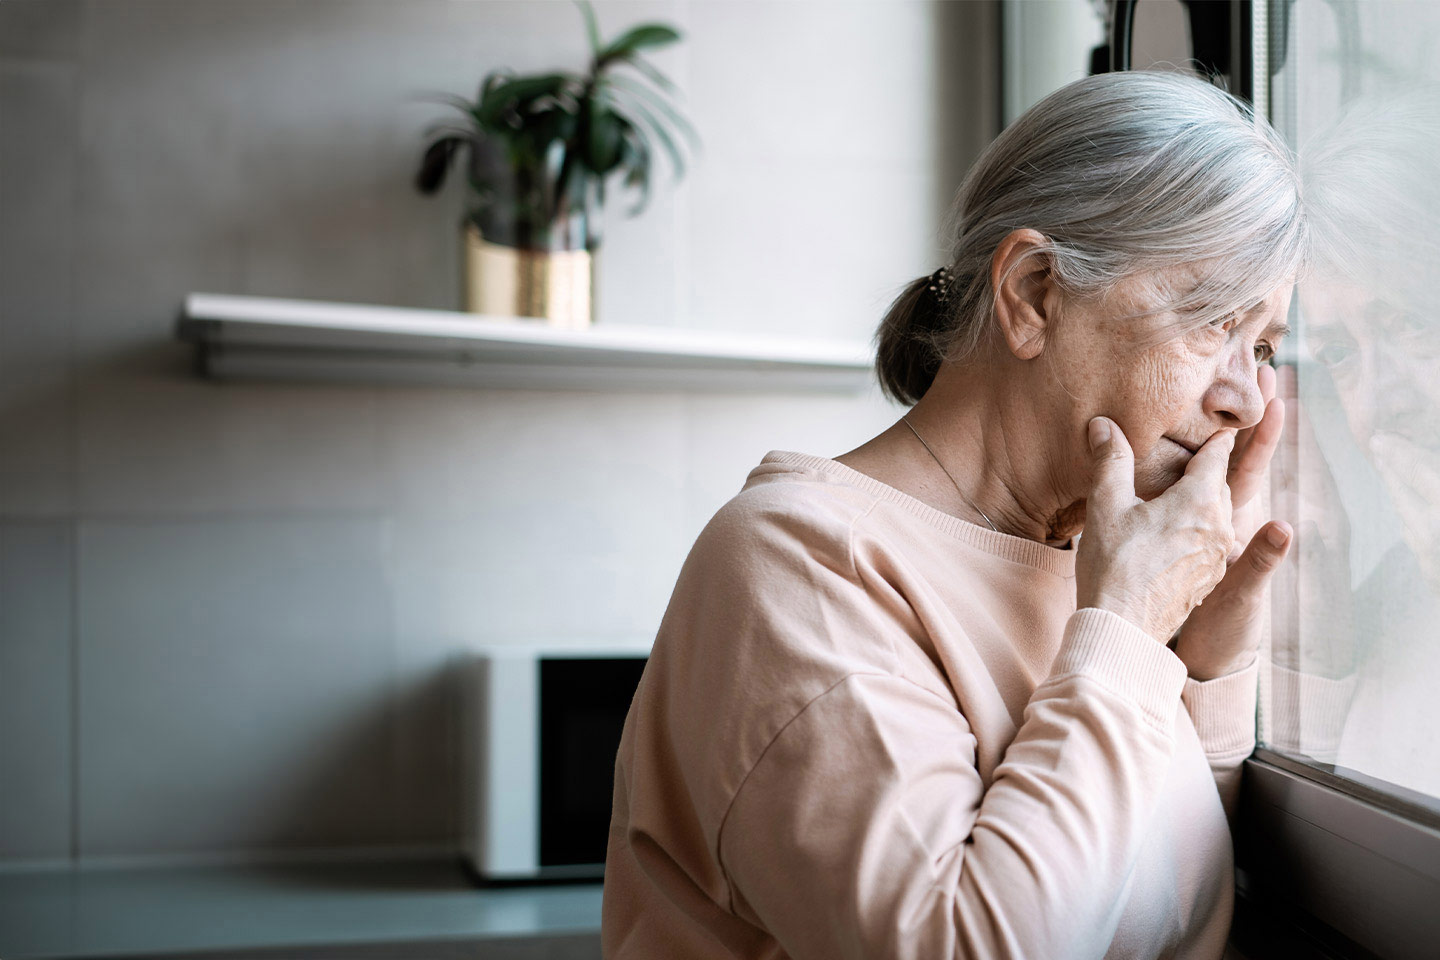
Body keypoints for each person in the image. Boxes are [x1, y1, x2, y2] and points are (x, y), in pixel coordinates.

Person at [602, 70, 1307, 960]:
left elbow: (1150, 899)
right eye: (1211, 321)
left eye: (1267, 346)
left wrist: (1201, 659)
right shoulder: (796, 562)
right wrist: (1128, 630)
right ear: (1035, 294)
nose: (1248, 398)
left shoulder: (1099, 562)